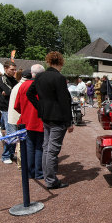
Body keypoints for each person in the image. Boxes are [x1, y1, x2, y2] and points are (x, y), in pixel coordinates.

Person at [27, 51, 73, 189]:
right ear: (60, 62)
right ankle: (51, 180)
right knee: (52, 150)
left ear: (48, 62)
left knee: (47, 148)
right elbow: (64, 101)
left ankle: (48, 177)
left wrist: (40, 107)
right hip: (58, 118)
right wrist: (69, 122)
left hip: (45, 116)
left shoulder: (40, 76)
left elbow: (30, 94)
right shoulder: (59, 78)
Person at [14, 64, 46, 179]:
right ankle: (38, 172)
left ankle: (30, 172)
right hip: (39, 121)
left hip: (26, 121)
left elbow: (16, 106)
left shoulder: (22, 86)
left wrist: (25, 112)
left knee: (29, 147)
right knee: (39, 147)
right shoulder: (42, 86)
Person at [0, 61, 18, 164]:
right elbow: (11, 92)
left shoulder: (13, 80)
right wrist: (8, 93)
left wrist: (10, 93)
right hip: (6, 109)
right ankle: (5, 155)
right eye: (12, 69)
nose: (14, 72)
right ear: (5, 68)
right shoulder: (2, 79)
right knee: (10, 133)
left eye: (15, 69)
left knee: (15, 133)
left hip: (14, 108)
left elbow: (16, 91)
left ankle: (10, 153)